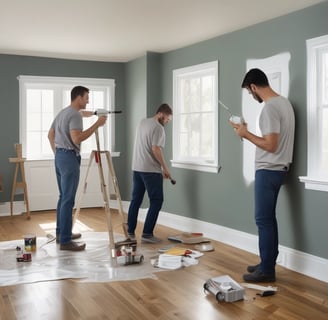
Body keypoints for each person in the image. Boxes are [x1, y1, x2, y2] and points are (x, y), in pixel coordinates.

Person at [230, 68, 295, 282]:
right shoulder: (284, 103)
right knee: (269, 220)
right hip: (279, 170)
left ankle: (267, 270)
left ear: (254, 87)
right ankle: (267, 262)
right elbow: (274, 140)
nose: (252, 96)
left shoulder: (269, 109)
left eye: (250, 92)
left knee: (263, 220)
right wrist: (247, 132)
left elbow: (271, 145)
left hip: (269, 170)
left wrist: (244, 134)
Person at [48, 86, 107, 251]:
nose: (88, 100)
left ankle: (62, 233)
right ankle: (66, 241)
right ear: (79, 98)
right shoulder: (74, 115)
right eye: (86, 97)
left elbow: (50, 135)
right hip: (69, 158)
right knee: (68, 199)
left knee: (63, 197)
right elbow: (76, 139)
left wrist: (58, 153)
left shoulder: (64, 112)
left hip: (60, 157)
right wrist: (97, 124)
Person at [127, 103, 173, 243]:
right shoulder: (158, 128)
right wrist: (165, 168)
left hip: (137, 167)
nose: (167, 122)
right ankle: (147, 234)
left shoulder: (143, 122)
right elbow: (155, 149)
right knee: (156, 201)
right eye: (167, 119)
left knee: (136, 200)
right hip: (151, 170)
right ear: (161, 114)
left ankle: (130, 232)